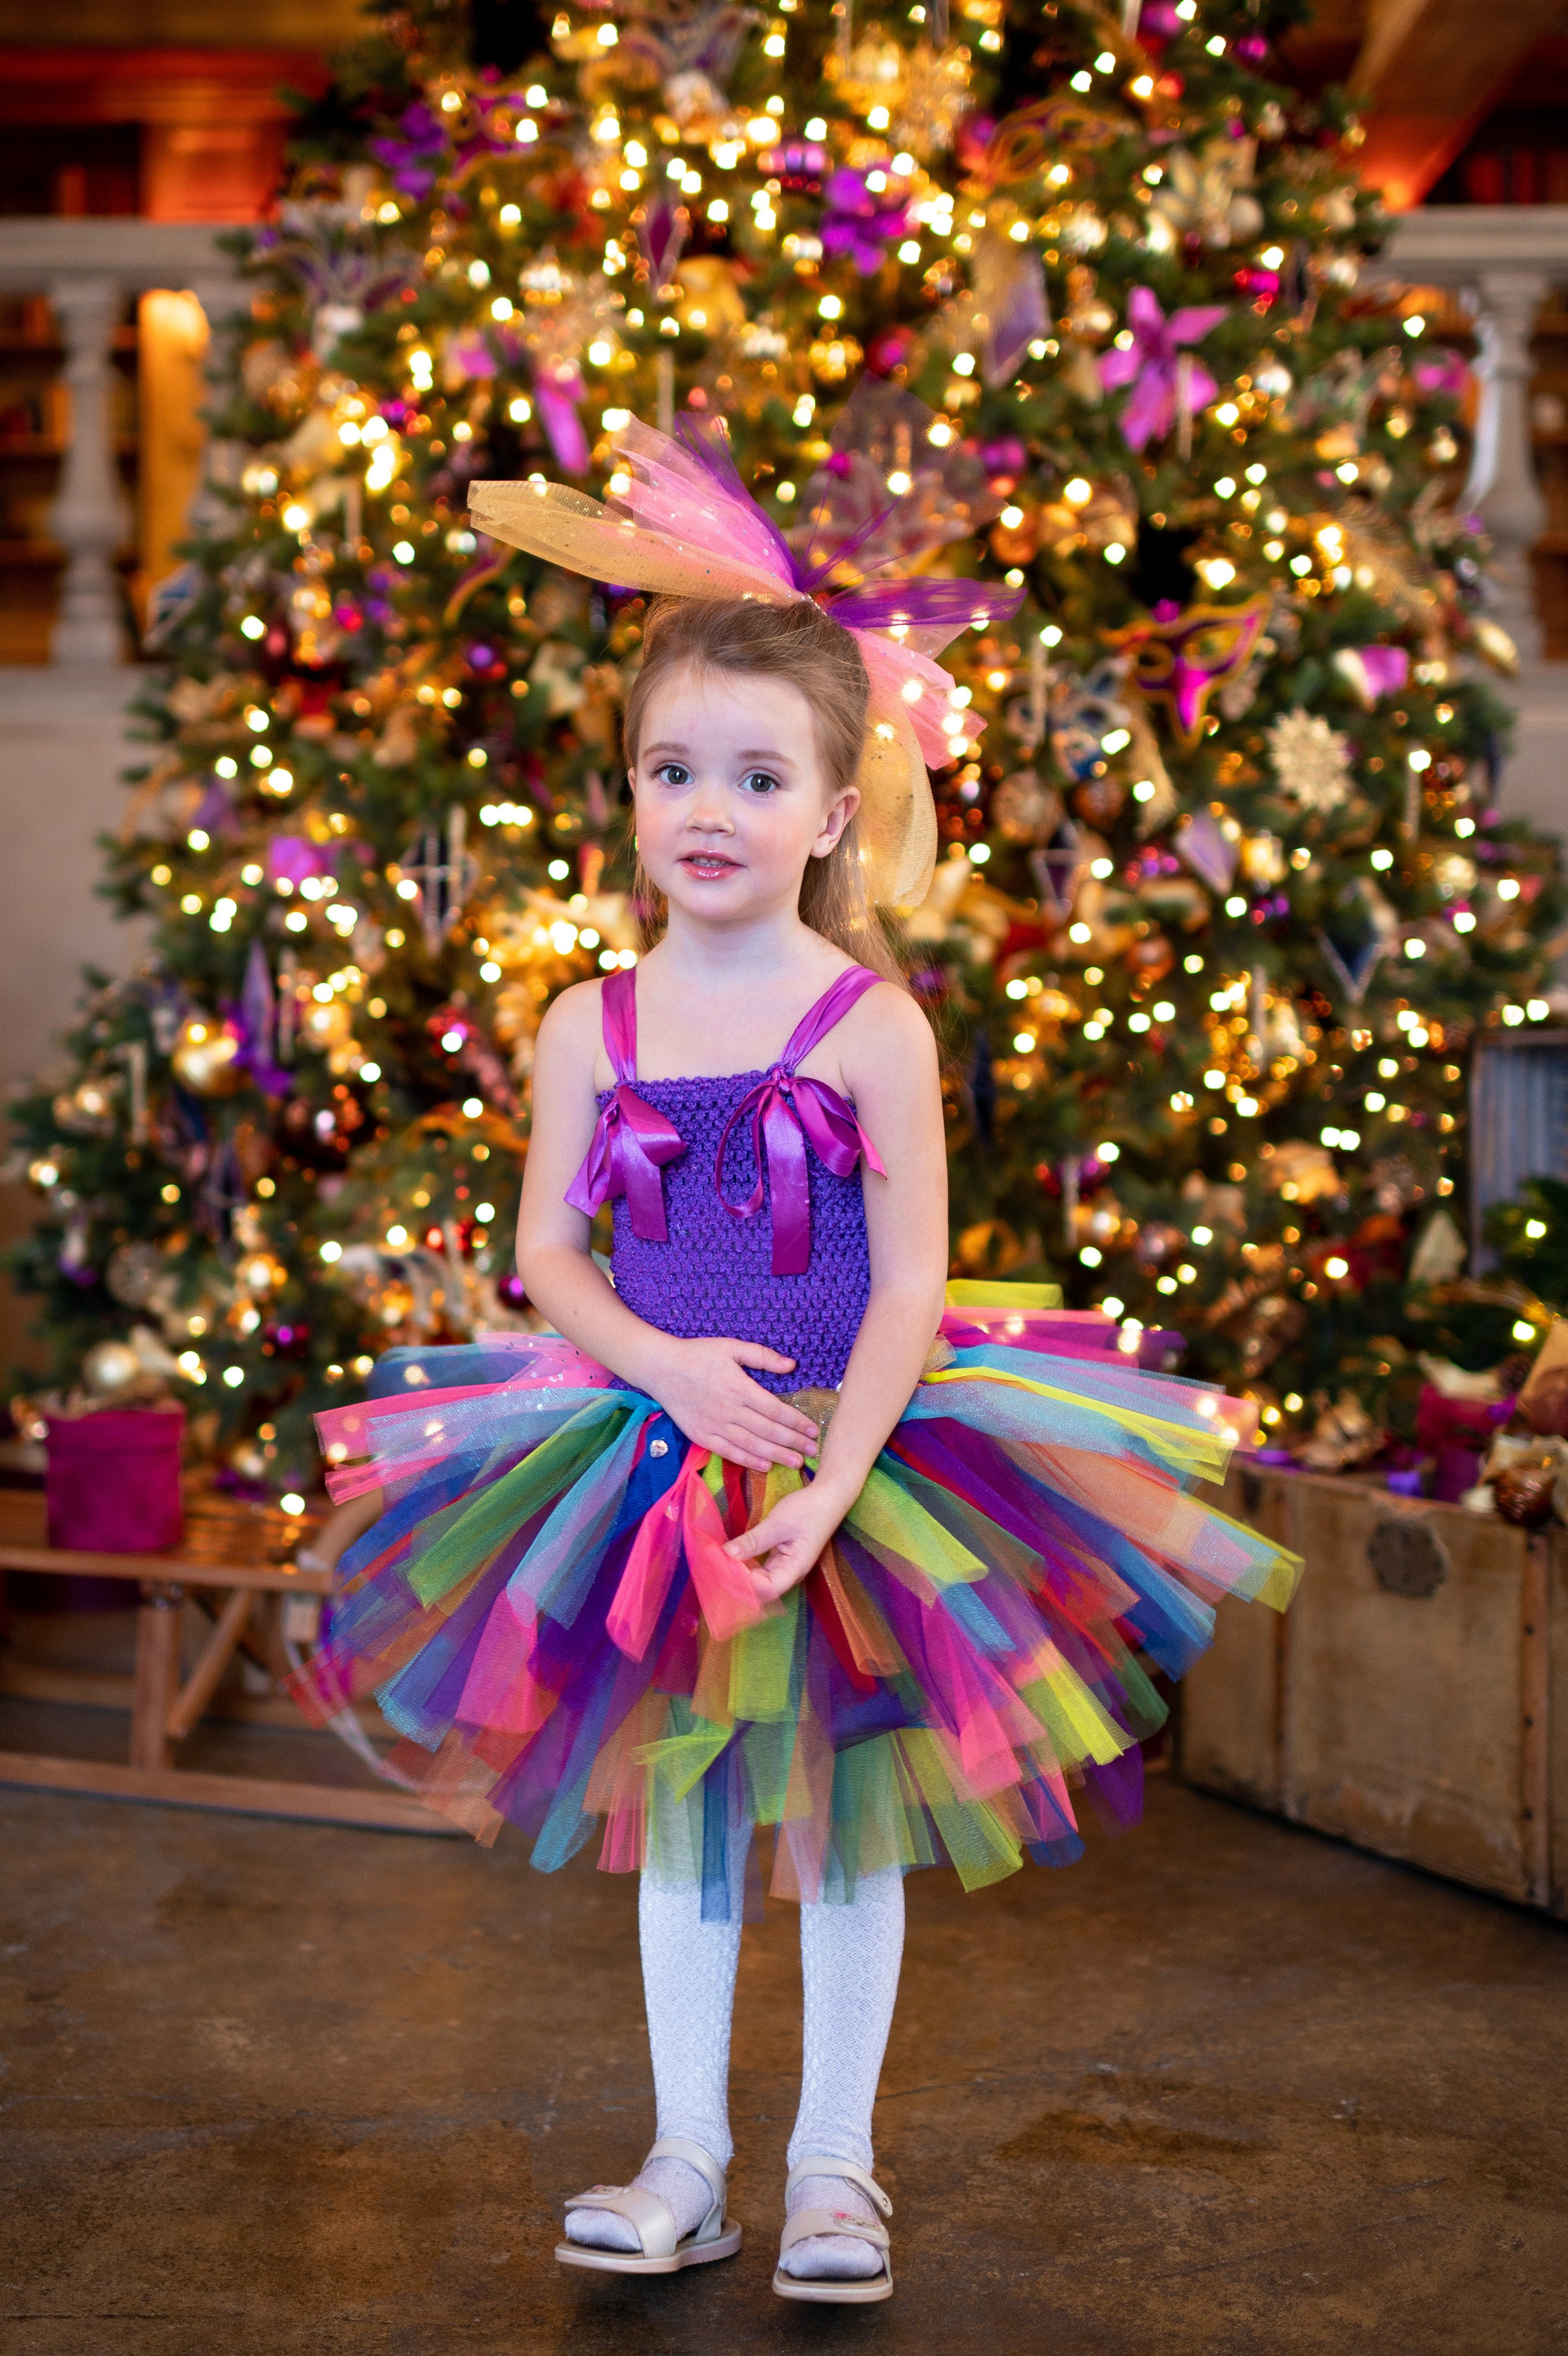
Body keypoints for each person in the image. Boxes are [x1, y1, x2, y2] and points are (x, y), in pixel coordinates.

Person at [292, 399, 1298, 2305]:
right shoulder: (591, 1023)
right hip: (646, 1462)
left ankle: (838, 2169)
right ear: (630, 794)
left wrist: (835, 1485)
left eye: (759, 778)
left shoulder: (870, 1028)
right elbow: (548, 1255)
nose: (710, 810)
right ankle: (688, 2156)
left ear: (836, 813)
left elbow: (912, 1281)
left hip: (863, 1460)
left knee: (847, 1835)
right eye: (674, 769)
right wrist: (664, 1370)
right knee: (683, 1814)